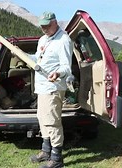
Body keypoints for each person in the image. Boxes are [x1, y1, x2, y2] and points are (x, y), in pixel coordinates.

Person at [29, 11, 73, 168]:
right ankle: (46, 151)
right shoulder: (43, 39)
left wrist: (58, 73)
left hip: (53, 87)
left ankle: (56, 159)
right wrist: (22, 54)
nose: (44, 28)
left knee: (52, 122)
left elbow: (67, 67)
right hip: (41, 87)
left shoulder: (64, 40)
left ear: (55, 22)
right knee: (42, 118)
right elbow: (37, 58)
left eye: (47, 25)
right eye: (42, 26)